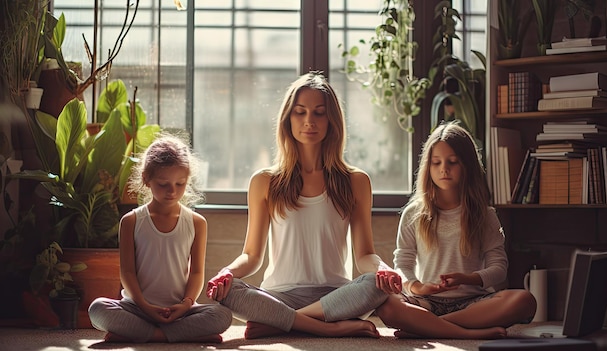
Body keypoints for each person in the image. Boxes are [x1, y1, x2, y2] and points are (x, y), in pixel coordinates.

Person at [206, 72, 404, 339]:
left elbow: (364, 255)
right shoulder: (264, 181)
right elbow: (252, 256)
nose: (309, 121)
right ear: (288, 119)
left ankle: (284, 323)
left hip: (335, 296)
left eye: (319, 113)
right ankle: (328, 329)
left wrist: (382, 268)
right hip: (279, 295)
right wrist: (227, 272)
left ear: (332, 120)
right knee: (227, 291)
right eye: (300, 112)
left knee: (375, 285)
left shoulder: (356, 181)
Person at [375, 122, 537, 339]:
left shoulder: (485, 215)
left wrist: (467, 279)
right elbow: (402, 264)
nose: (444, 169)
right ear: (428, 167)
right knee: (385, 305)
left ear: (467, 165)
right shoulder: (413, 213)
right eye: (436, 163)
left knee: (525, 301)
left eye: (452, 162)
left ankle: (428, 328)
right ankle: (466, 332)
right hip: (427, 302)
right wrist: (417, 287)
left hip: (473, 303)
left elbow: (499, 268)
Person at [88, 134, 232, 343]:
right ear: (146, 178)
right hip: (136, 308)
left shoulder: (197, 222)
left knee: (222, 315)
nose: (172, 191)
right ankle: (176, 335)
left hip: (180, 311)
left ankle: (141, 334)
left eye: (180, 183)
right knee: (98, 309)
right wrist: (145, 306)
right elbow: (127, 272)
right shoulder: (131, 221)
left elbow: (197, 271)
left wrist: (185, 304)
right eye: (164, 184)